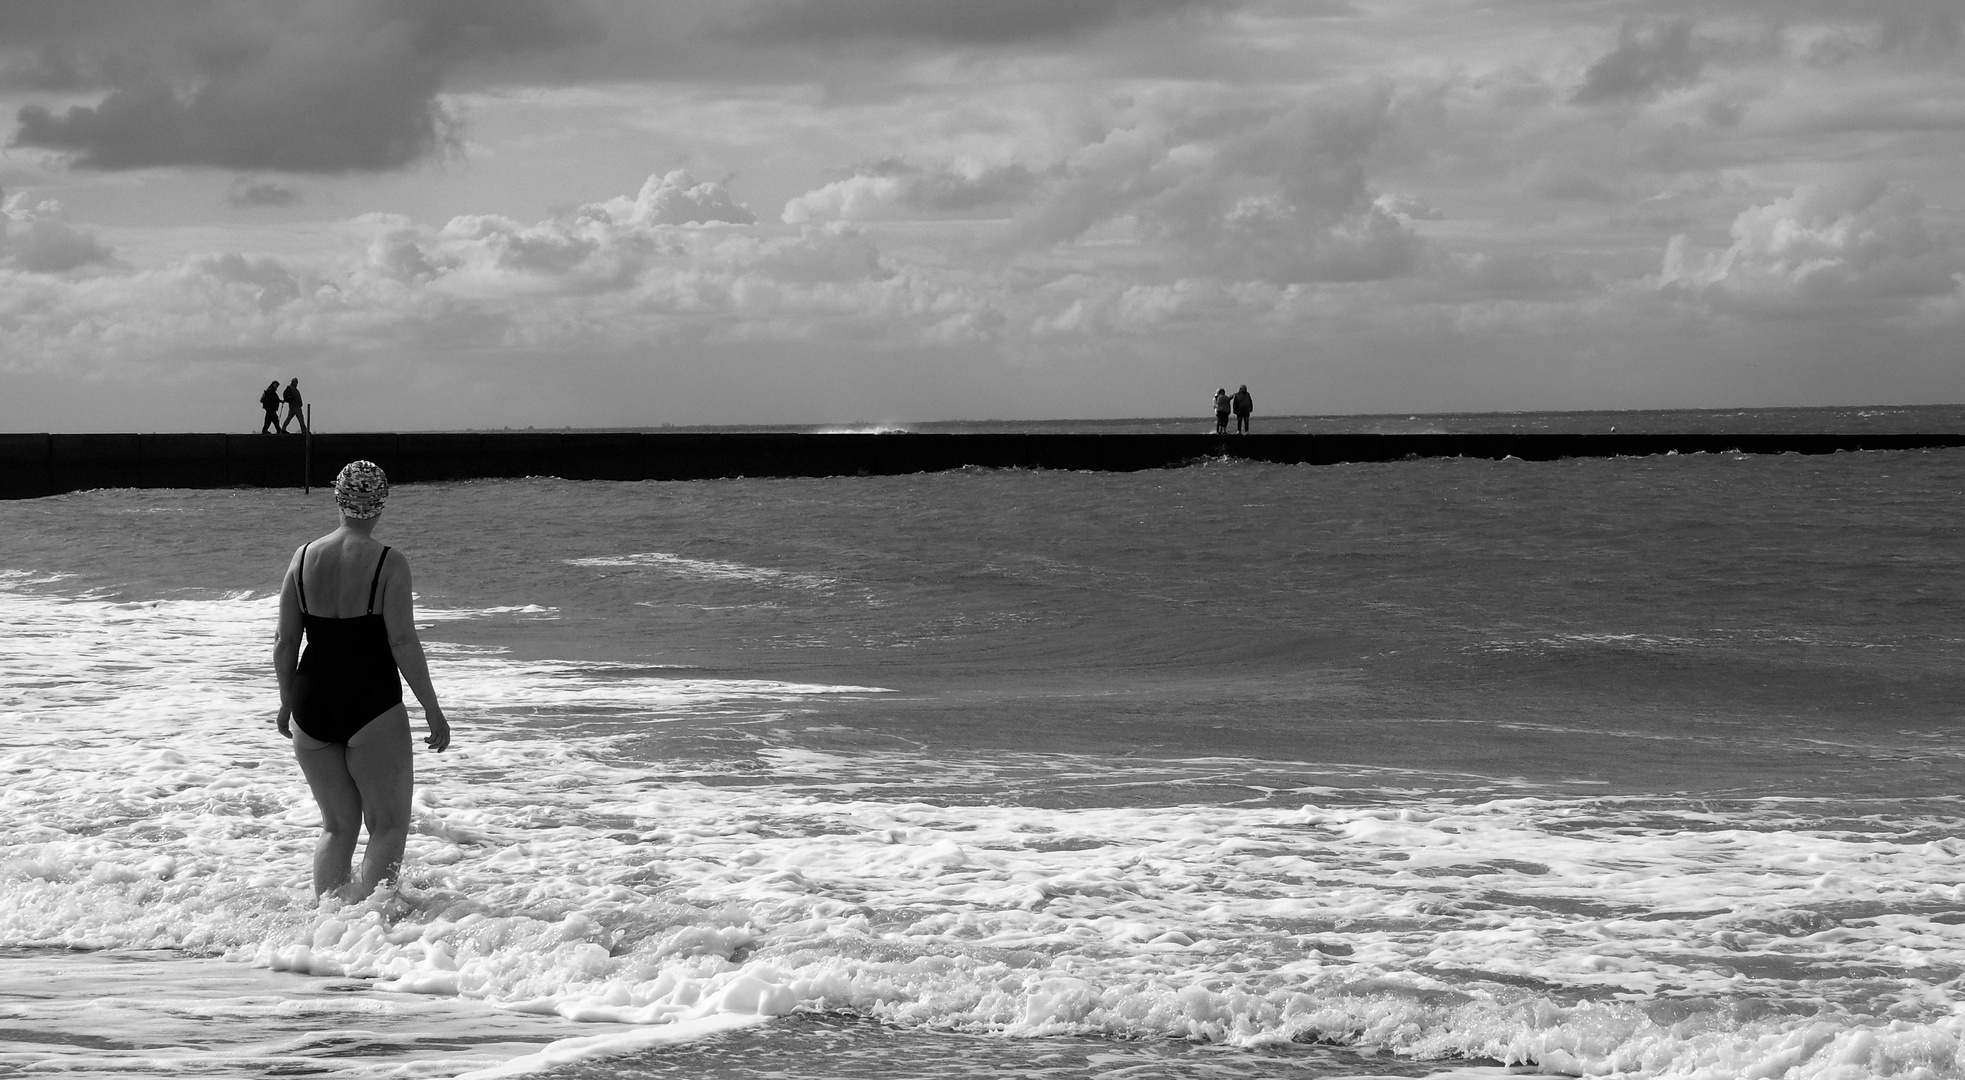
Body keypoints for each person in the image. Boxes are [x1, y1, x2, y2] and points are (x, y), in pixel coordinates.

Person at [273, 460, 450, 901]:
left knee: (337, 826)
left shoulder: (303, 557)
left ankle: (329, 928)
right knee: (387, 825)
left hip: (311, 702)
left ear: (338, 498)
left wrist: (285, 701)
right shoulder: (389, 562)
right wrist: (431, 707)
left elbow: (284, 641)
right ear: (381, 505)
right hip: (370, 703)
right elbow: (403, 641)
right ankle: (369, 931)